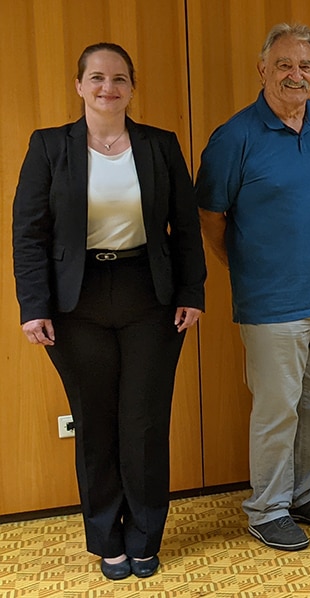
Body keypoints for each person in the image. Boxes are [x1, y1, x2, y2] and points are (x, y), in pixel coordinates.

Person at [12, 43, 206, 580]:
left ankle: (145, 536)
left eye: (119, 78)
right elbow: (28, 235)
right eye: (96, 77)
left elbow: (185, 228)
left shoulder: (159, 145)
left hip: (152, 297)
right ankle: (106, 536)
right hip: (77, 303)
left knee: (144, 422)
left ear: (131, 87)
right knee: (95, 423)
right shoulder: (50, 147)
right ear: (79, 85)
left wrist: (192, 292)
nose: (107, 87)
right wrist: (34, 307)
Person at [195, 23, 310, 551]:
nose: (296, 74)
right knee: (276, 408)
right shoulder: (234, 136)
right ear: (263, 69)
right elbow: (212, 218)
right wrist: (244, 267)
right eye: (284, 64)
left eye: (305, 65)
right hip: (272, 301)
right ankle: (267, 509)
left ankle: (303, 494)